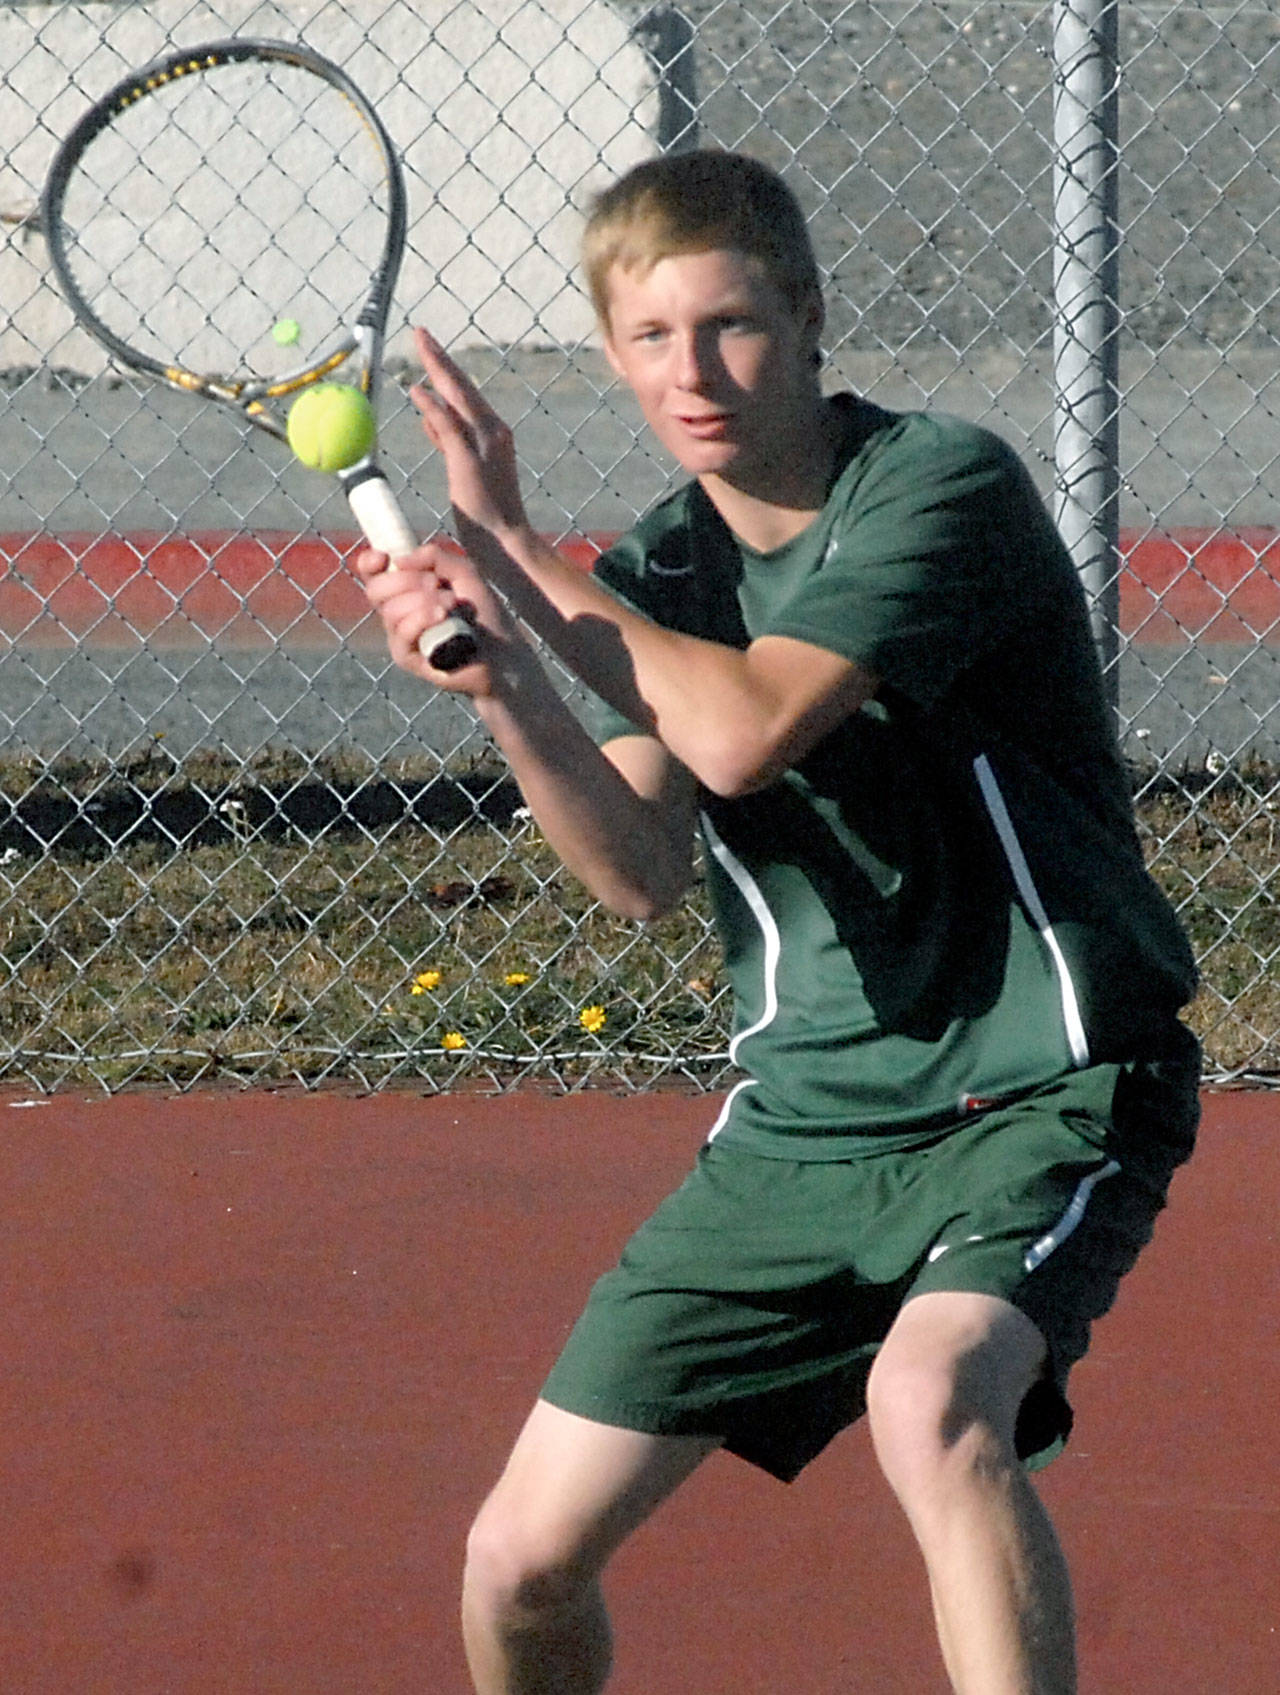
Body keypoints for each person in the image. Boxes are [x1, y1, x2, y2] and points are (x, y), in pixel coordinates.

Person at [356, 149, 1200, 1695]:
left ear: (809, 317)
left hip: (1044, 1086)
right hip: (802, 1124)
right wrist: (506, 693)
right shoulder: (659, 572)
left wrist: (522, 555)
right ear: (610, 356)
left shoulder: (942, 486)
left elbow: (745, 734)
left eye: (735, 324)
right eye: (655, 339)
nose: (698, 373)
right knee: (517, 1567)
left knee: (933, 1407)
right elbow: (638, 868)